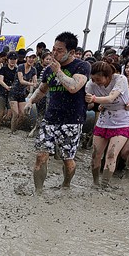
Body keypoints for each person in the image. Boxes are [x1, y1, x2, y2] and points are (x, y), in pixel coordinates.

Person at [24, 32, 91, 193]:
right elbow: (42, 89)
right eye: (53, 49)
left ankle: (66, 185)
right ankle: (38, 192)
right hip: (50, 118)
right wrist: (31, 101)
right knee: (41, 156)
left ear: (72, 52)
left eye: (59, 50)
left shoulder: (82, 66)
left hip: (72, 120)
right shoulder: (49, 69)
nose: (54, 53)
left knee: (67, 159)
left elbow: (74, 87)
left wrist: (59, 71)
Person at [84, 61, 129, 186]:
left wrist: (95, 99)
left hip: (122, 120)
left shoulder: (120, 80)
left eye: (99, 80)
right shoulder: (91, 84)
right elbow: (86, 101)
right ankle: (95, 183)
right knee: (95, 153)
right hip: (105, 118)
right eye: (93, 79)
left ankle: (104, 185)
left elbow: (111, 98)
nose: (96, 83)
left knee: (111, 154)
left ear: (108, 76)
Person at [9, 51, 39, 132]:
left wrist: (34, 84)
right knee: (16, 114)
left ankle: (14, 128)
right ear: (26, 58)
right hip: (13, 92)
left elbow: (35, 82)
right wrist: (32, 84)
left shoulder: (34, 70)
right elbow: (21, 81)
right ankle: (12, 132)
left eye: (33, 58)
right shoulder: (20, 67)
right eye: (30, 58)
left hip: (22, 94)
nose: (31, 60)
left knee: (23, 114)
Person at [0, 52, 19, 129]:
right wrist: (7, 87)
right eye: (11, 59)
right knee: (1, 113)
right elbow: (1, 81)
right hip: (1, 93)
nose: (13, 61)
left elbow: (18, 81)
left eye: (14, 59)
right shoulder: (3, 69)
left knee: (9, 114)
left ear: (16, 60)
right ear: (8, 60)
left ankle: (4, 124)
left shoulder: (17, 70)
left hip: (11, 95)